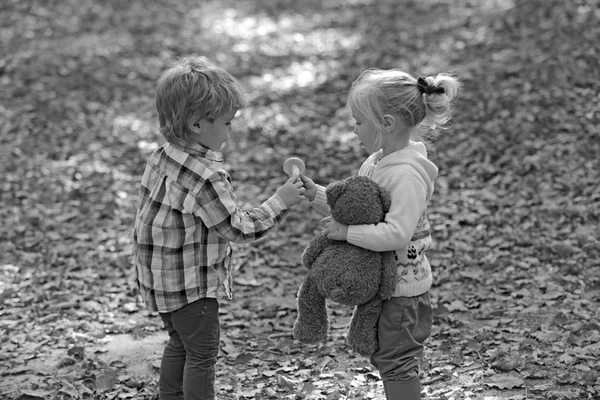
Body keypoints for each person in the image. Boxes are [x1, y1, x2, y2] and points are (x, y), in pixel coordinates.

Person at [132, 56, 306, 400]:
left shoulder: (162, 155)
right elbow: (238, 229)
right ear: (197, 124)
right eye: (227, 122)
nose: (230, 130)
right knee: (202, 353)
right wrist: (280, 201)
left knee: (180, 342)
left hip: (159, 279)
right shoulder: (206, 177)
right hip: (190, 285)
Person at [299, 68, 460, 400]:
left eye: (359, 122)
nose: (354, 129)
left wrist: (347, 234)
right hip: (385, 285)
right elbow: (358, 210)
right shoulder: (377, 162)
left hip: (403, 289)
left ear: (386, 124)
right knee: (387, 356)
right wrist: (316, 194)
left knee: (396, 360)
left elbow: (397, 233)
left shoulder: (406, 175)